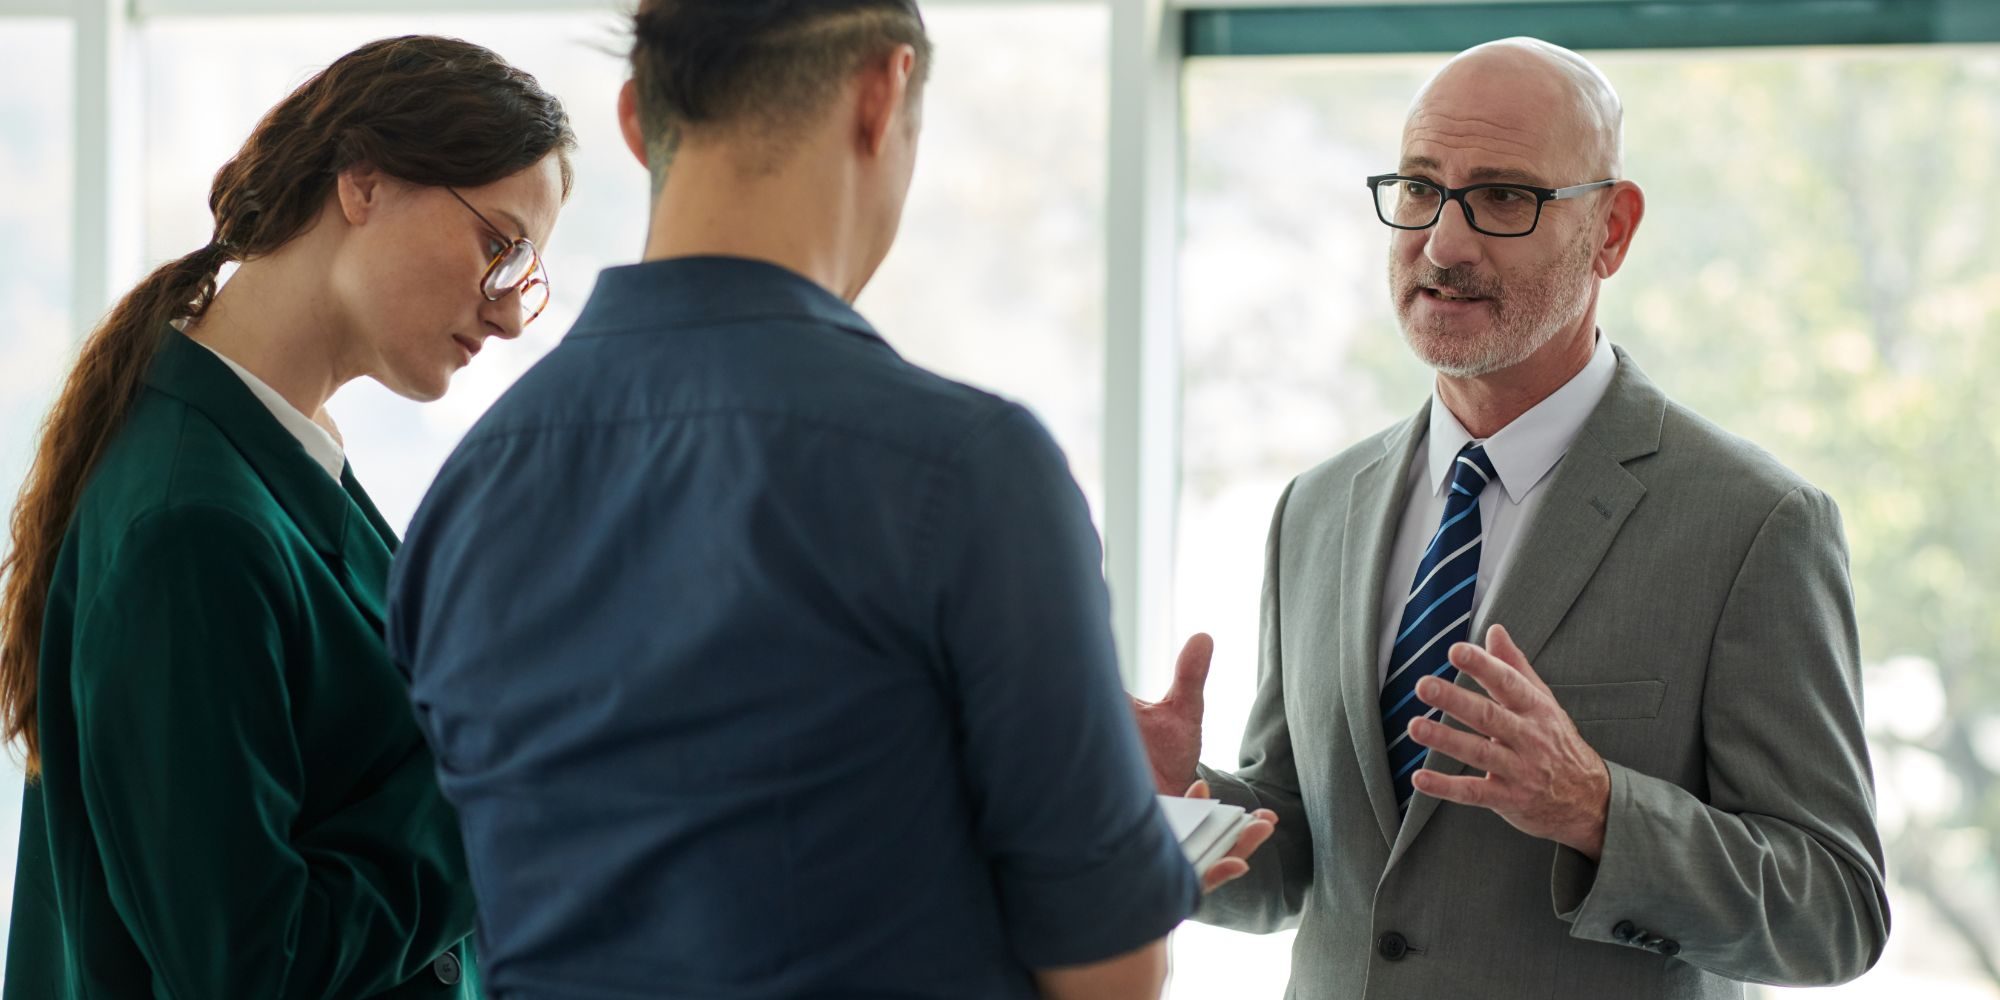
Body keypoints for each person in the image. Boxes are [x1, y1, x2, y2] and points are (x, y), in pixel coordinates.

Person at [385, 3, 1271, 998]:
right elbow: (1105, 979)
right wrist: (1116, 851)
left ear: (636, 122)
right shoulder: (965, 468)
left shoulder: (463, 494)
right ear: (882, 92)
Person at [1132, 37, 1890, 999]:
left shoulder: (1756, 524)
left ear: (1611, 231)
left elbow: (1836, 915)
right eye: (1418, 188)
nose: (1443, 243)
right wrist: (1170, 810)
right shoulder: (1318, 507)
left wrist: (1600, 810)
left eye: (1503, 197)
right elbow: (1311, 865)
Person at [0, 35, 573, 998]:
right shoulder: (191, 525)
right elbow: (247, 971)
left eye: (525, 270)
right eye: (498, 244)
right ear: (364, 183)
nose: (512, 313)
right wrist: (484, 785)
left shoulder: (268, 447)